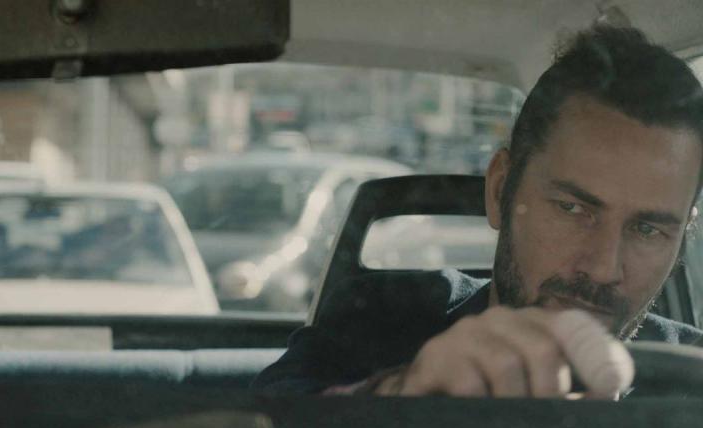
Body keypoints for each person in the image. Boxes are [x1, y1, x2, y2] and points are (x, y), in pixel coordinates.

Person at [256, 24, 703, 397]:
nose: (604, 268)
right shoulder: (378, 321)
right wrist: (402, 395)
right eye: (572, 208)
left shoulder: (692, 377)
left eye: (647, 230)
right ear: (500, 190)